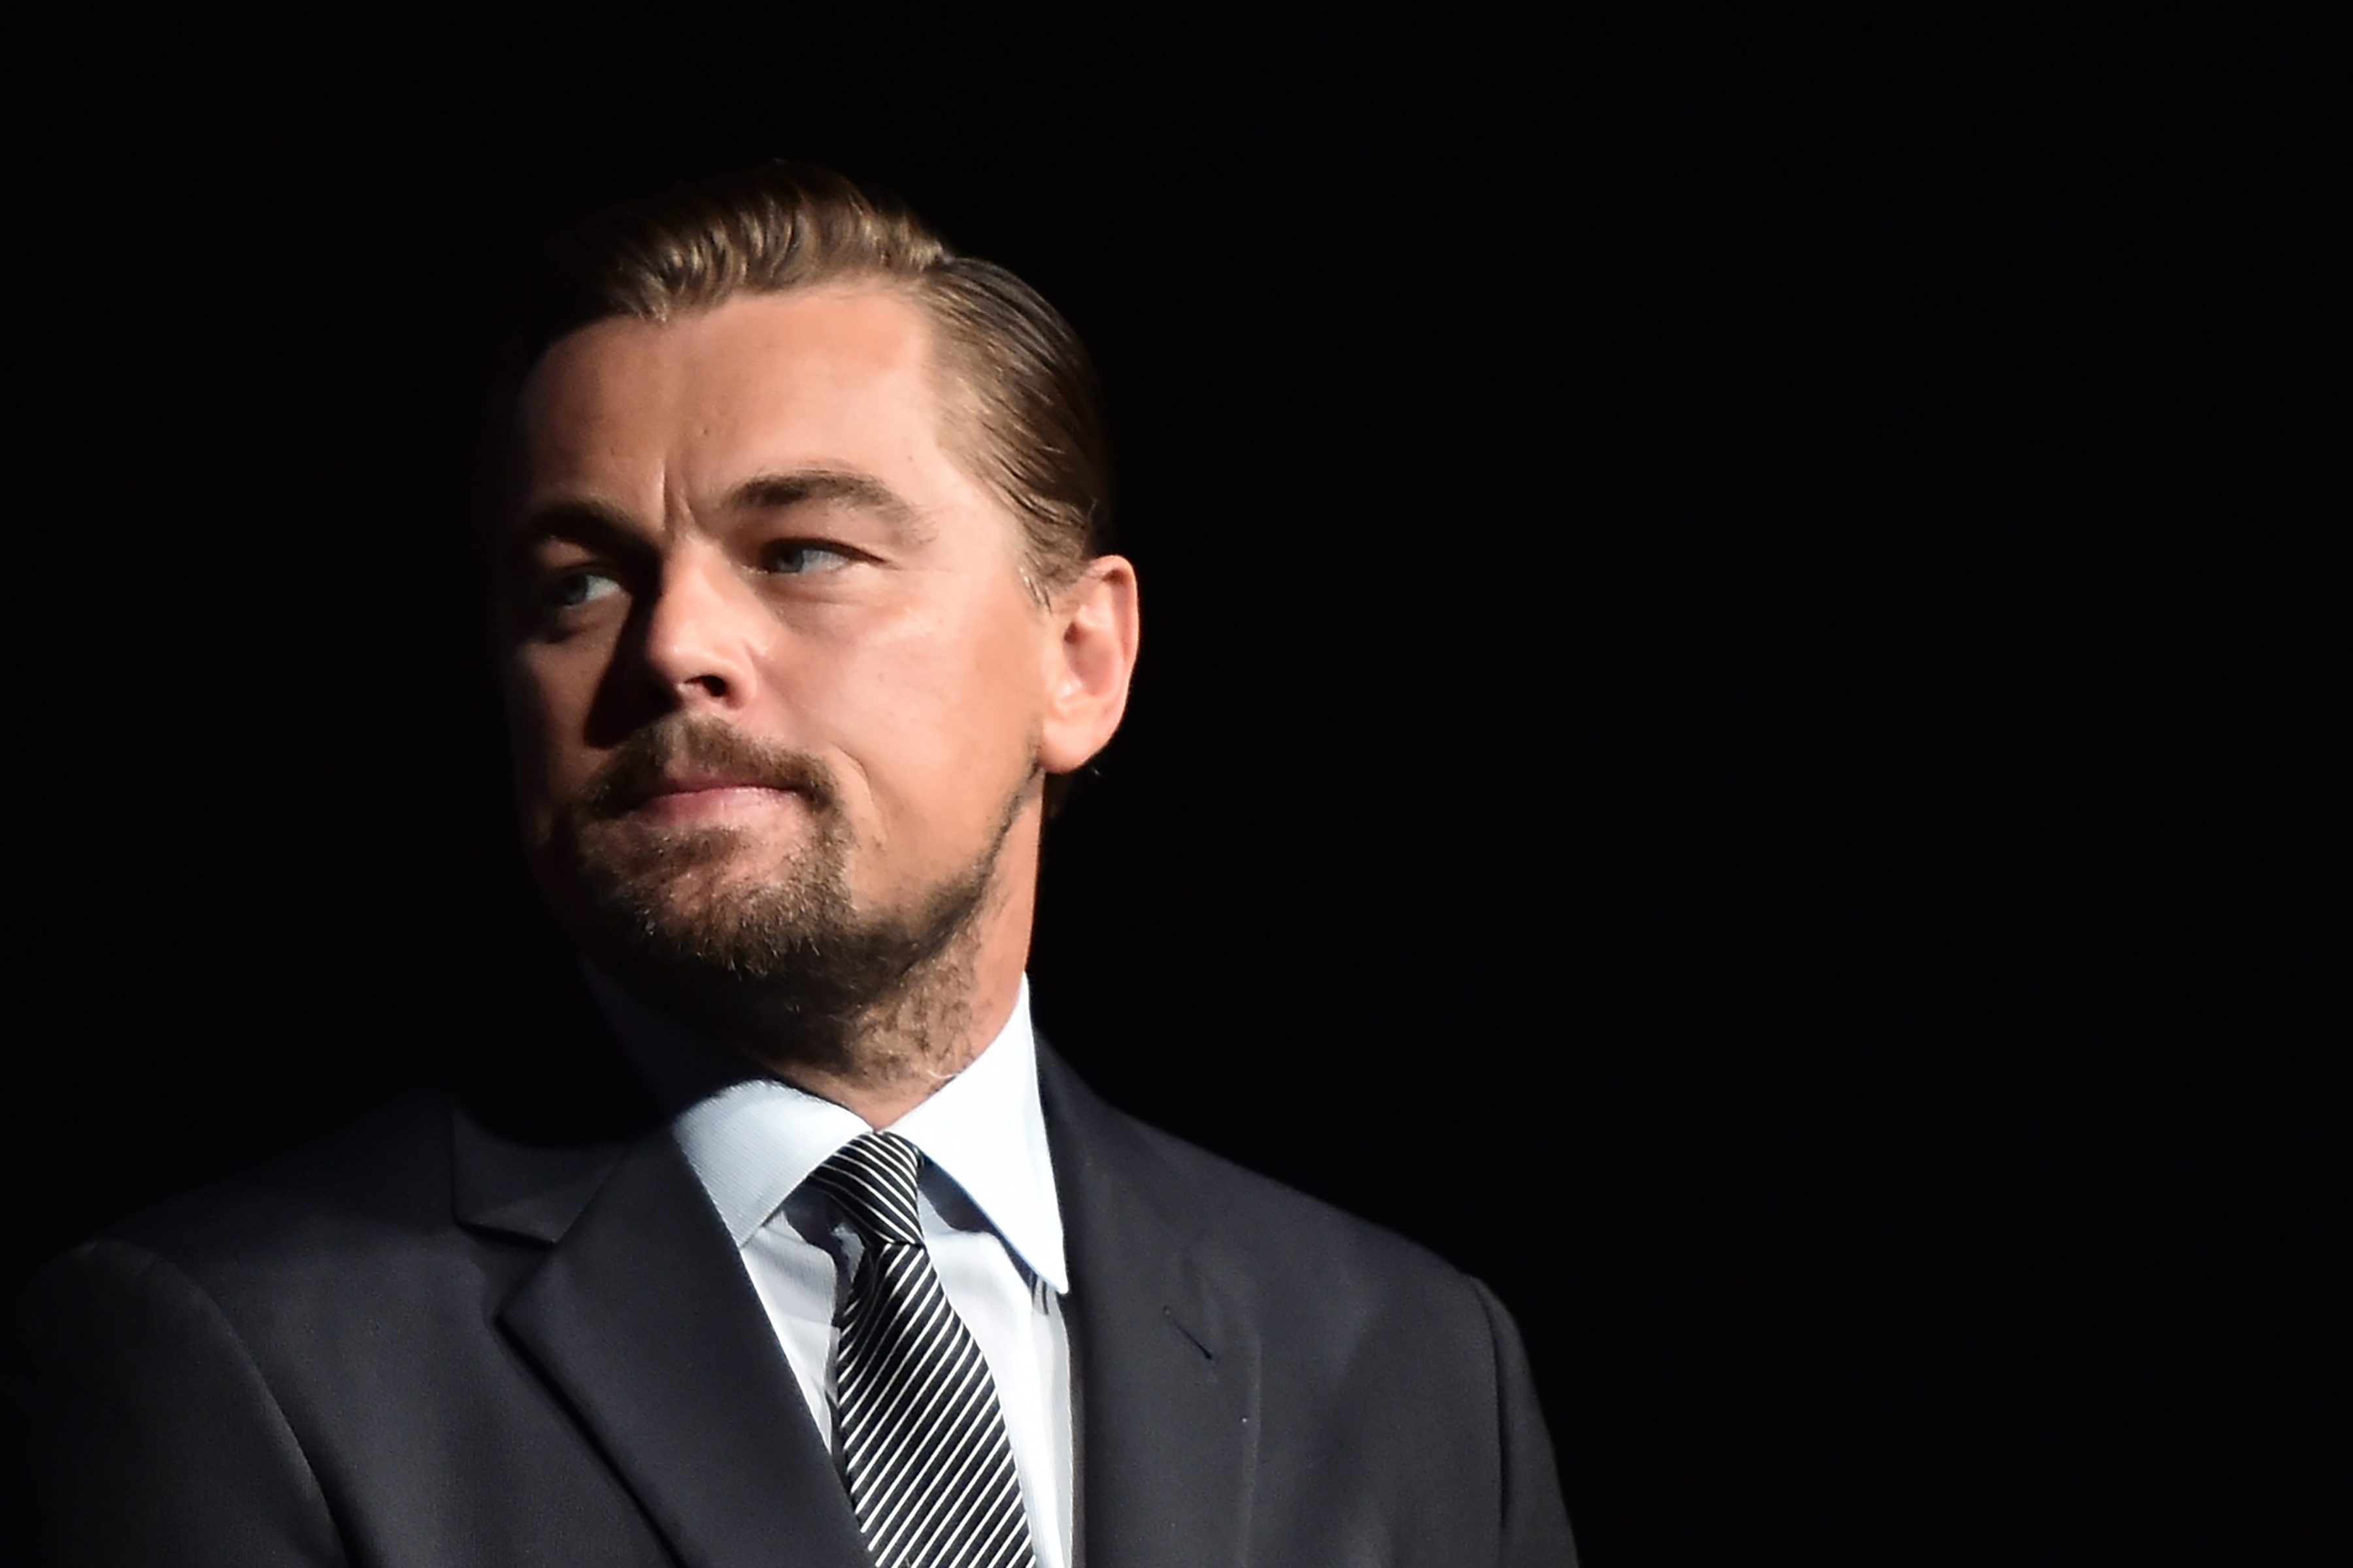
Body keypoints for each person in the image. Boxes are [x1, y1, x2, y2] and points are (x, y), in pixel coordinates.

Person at [13, 164, 1576, 1567]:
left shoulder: (1420, 1365)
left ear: (1080, 659)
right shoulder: (231, 1358)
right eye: (577, 584)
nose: (673, 644)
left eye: (803, 552)